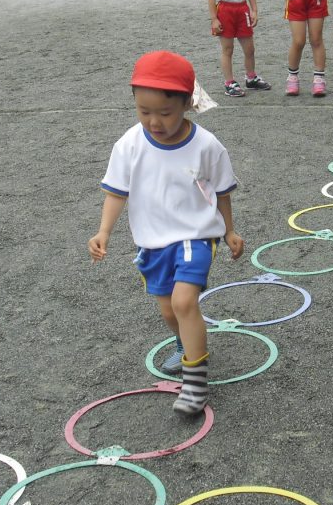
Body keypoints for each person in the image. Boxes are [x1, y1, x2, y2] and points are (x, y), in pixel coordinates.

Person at [89, 50, 244, 416]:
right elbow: (116, 192)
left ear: (188, 104)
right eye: (144, 112)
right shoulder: (129, 144)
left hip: (195, 235)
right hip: (152, 242)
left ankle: (195, 384)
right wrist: (103, 233)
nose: (154, 122)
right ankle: (184, 344)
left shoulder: (207, 146)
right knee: (168, 310)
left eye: (164, 113)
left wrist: (230, 230)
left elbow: (222, 191)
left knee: (184, 302)